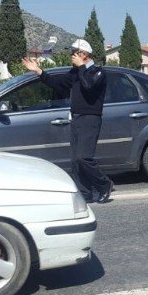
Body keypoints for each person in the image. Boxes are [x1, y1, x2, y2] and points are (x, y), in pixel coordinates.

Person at [22, 39, 114, 203]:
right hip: (77, 118)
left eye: (74, 52)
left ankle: (104, 185)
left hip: (90, 119)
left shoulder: (97, 71)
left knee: (84, 158)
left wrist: (81, 67)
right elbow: (58, 84)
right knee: (75, 161)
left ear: (84, 55)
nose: (71, 55)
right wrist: (39, 71)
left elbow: (89, 86)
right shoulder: (75, 72)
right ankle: (85, 193)